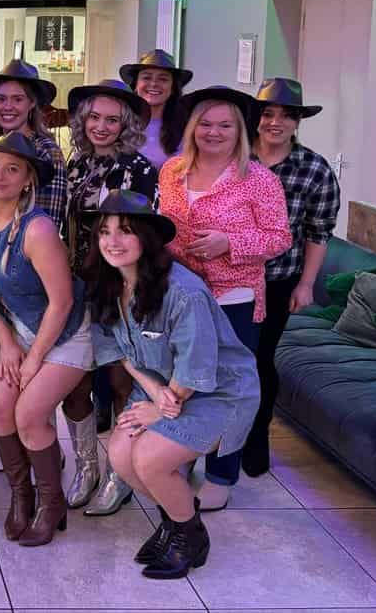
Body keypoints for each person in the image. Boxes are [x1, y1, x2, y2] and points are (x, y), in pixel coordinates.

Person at [81, 190, 260, 578]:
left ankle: (187, 536)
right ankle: (181, 524)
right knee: (122, 455)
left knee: (148, 458)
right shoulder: (108, 283)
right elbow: (121, 352)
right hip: (162, 387)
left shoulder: (183, 291)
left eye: (125, 231)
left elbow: (196, 368)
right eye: (104, 232)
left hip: (219, 393)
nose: (112, 241)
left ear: (146, 238)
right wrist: (153, 390)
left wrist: (162, 404)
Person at [158, 86, 290, 510]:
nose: (214, 133)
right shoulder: (172, 171)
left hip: (234, 296)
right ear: (194, 129)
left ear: (240, 132)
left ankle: (221, 473)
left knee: (228, 387)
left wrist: (228, 242)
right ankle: (178, 455)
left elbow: (279, 238)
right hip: (180, 294)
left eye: (225, 125)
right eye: (206, 125)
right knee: (179, 378)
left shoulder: (260, 180)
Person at [0, 131, 92, 547]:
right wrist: (5, 342)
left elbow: (61, 303)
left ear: (27, 181)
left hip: (67, 332)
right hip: (21, 331)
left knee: (29, 415)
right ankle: (21, 496)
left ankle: (50, 501)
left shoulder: (38, 229)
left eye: (13, 169)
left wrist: (34, 357)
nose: (0, 175)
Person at [62, 79, 160, 513]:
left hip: (119, 287)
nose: (102, 126)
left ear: (127, 124)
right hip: (74, 288)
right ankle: (87, 466)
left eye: (112, 119)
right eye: (95, 117)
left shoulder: (139, 169)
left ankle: (120, 472)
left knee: (122, 380)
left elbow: (147, 237)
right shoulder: (76, 163)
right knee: (74, 380)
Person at [243, 77, 340, 476]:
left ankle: (255, 437)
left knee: (260, 360)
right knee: (217, 359)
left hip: (278, 279)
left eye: (286, 115)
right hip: (223, 278)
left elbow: (318, 232)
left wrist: (305, 284)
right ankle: (213, 441)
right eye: (267, 113)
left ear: (298, 121)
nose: (275, 122)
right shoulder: (234, 158)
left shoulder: (314, 169)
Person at [0, 59, 67, 228]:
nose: (8, 106)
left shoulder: (46, 152)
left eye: (18, 99)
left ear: (32, 103)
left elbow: (48, 222)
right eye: (1, 98)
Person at [120, 50, 193, 171]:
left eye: (163, 79)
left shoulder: (186, 128)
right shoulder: (118, 121)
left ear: (173, 88)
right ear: (136, 85)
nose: (154, 84)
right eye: (147, 77)